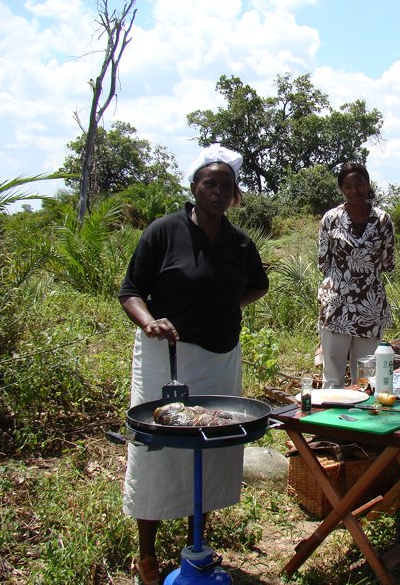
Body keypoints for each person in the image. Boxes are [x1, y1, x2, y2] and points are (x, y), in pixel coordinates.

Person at [117, 144, 269, 585]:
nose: (218, 192)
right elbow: (130, 290)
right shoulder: (163, 232)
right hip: (166, 359)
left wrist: (227, 308)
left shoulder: (240, 243)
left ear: (235, 194)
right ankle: (147, 556)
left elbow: (257, 285)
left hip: (220, 358)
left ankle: (196, 548)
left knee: (207, 446)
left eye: (226, 186)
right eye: (210, 184)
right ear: (194, 188)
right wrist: (149, 322)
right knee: (157, 450)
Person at [317, 161, 395, 388]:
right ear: (341, 189)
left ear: (368, 185)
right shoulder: (330, 219)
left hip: (369, 306)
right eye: (348, 186)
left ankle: (361, 420)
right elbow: (323, 261)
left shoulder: (382, 220)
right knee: (332, 372)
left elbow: (388, 261)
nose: (354, 191)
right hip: (336, 304)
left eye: (359, 185)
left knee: (366, 375)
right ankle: (329, 421)